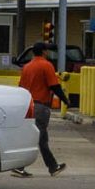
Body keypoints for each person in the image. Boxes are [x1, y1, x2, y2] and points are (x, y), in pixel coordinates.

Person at [19, 40, 67, 175]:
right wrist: (65, 99)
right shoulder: (46, 65)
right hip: (41, 106)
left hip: (28, 105)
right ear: (44, 51)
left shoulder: (27, 67)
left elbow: (21, 87)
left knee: (31, 136)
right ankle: (51, 166)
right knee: (41, 138)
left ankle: (50, 166)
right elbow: (54, 86)